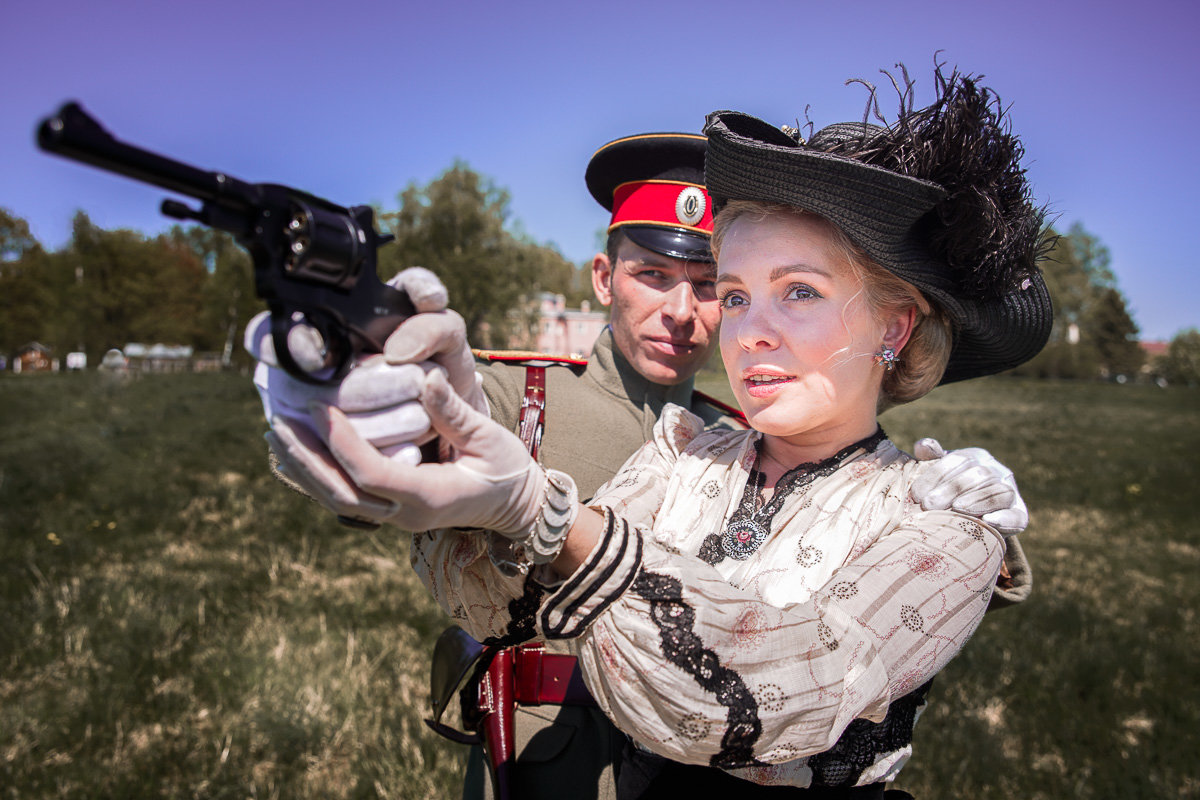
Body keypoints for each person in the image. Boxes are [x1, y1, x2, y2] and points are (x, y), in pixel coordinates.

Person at [253, 102, 1040, 798]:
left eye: (799, 290)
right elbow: (524, 597)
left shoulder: (939, 510)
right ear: (605, 277)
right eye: (738, 293)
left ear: (896, 327)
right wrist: (349, 394)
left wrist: (541, 513)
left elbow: (795, 678)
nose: (736, 324)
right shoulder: (687, 455)